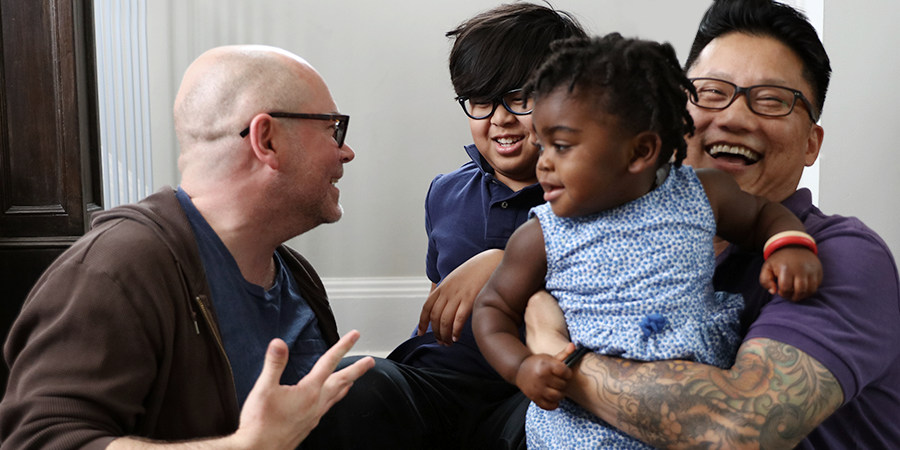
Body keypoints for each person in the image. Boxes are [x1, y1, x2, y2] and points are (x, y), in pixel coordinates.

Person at [524, 1, 900, 448]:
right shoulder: (614, 232)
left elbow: (735, 430)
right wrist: (496, 264)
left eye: (772, 100)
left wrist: (556, 353)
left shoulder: (842, 255)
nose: (735, 118)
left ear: (811, 145)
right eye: (710, 93)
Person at [0, 45, 374, 449]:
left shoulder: (295, 274)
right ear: (266, 140)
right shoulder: (114, 272)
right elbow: (40, 440)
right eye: (332, 128)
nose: (346, 151)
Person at [473, 32, 823, 449]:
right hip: (580, 435)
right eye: (542, 145)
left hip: (690, 415)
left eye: (561, 146)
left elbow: (763, 215)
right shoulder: (541, 235)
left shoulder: (700, 193)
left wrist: (789, 245)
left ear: (640, 152)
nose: (543, 163)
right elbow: (492, 309)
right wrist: (521, 368)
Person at [302, 4, 586, 450]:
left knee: (566, 422)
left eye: (521, 97)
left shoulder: (591, 198)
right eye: (481, 101)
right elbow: (439, 302)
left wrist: (502, 264)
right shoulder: (445, 192)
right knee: (349, 380)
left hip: (526, 392)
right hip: (438, 383)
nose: (500, 118)